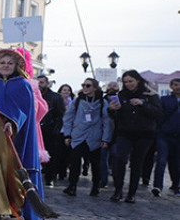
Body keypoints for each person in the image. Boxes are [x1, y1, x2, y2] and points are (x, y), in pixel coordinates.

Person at [0, 49, 55, 220]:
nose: (6, 66)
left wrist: (12, 122)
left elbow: (26, 111)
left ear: (16, 66)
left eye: (9, 63)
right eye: (2, 63)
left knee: (7, 170)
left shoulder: (22, 85)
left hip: (12, 139)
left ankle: (11, 205)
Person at [108, 70, 163, 203]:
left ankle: (131, 193)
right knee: (120, 159)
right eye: (125, 82)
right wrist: (111, 110)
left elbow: (157, 113)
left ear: (138, 80)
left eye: (130, 81)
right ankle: (118, 190)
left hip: (144, 133)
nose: (128, 84)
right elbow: (116, 116)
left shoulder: (150, 95)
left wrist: (142, 104)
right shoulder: (121, 95)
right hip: (125, 131)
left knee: (137, 162)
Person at [61, 78, 112, 196]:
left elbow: (107, 121)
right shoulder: (78, 101)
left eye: (88, 85)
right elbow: (68, 118)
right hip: (78, 136)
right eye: (83, 85)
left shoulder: (101, 102)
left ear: (95, 88)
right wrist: (67, 135)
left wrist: (105, 138)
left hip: (95, 137)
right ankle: (72, 186)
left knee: (95, 164)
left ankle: (95, 187)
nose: (85, 87)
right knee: (75, 162)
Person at [37, 74, 65, 184]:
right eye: (37, 82)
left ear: (47, 83)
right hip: (37, 129)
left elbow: (60, 115)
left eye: (42, 82)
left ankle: (49, 177)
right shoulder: (33, 95)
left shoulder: (56, 97)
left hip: (50, 130)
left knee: (51, 155)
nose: (39, 85)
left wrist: (56, 129)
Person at [154, 78, 180, 196]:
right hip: (164, 135)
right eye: (175, 85)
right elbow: (159, 116)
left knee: (176, 162)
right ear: (171, 86)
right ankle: (157, 186)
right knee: (161, 160)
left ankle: (176, 185)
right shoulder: (164, 100)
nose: (178, 87)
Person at [57, 84, 75, 179]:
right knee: (58, 152)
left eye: (68, 90)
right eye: (64, 90)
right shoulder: (57, 101)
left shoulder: (73, 102)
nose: (66, 92)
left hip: (68, 130)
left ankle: (63, 173)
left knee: (66, 153)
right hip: (58, 129)